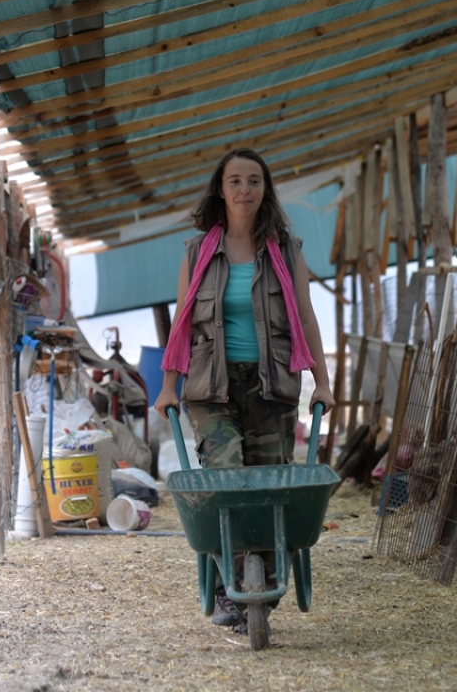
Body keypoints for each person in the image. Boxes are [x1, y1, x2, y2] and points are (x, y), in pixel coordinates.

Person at [152, 148, 334, 630]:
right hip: (211, 386)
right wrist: (168, 386)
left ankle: (266, 578)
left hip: (271, 384)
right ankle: (226, 584)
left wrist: (322, 383)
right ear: (221, 189)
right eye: (235, 180)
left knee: (271, 483)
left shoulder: (287, 251)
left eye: (254, 181)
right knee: (225, 477)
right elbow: (182, 322)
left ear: (265, 190)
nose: (245, 189)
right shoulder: (197, 252)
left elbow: (306, 318)